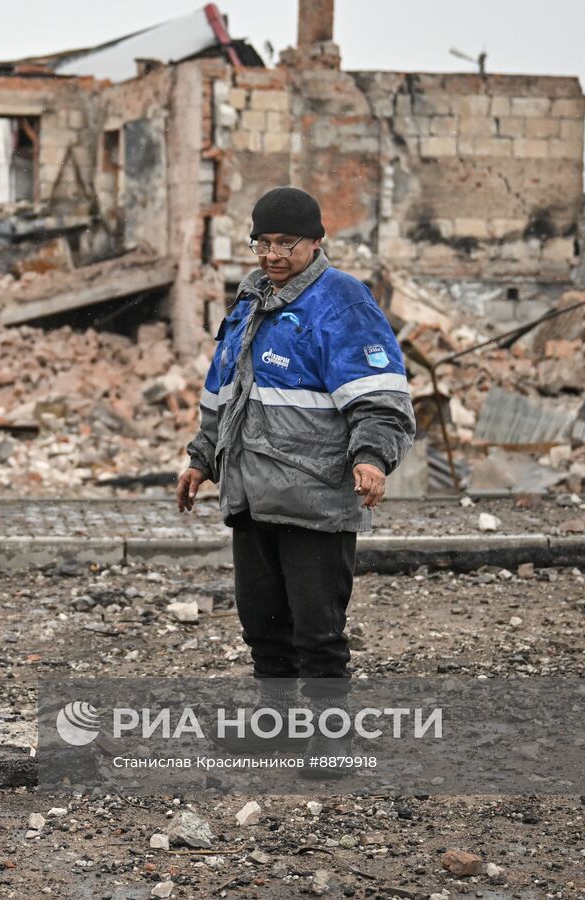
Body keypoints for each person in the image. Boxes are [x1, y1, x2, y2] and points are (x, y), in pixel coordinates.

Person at [175, 186, 415, 775]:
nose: (273, 254)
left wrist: (372, 459)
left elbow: (380, 398)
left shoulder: (342, 302)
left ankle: (332, 738)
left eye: (287, 243)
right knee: (263, 621)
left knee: (317, 627)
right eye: (263, 242)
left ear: (316, 241)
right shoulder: (253, 299)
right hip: (251, 494)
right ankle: (276, 726)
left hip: (313, 495)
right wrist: (201, 458)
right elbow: (222, 393)